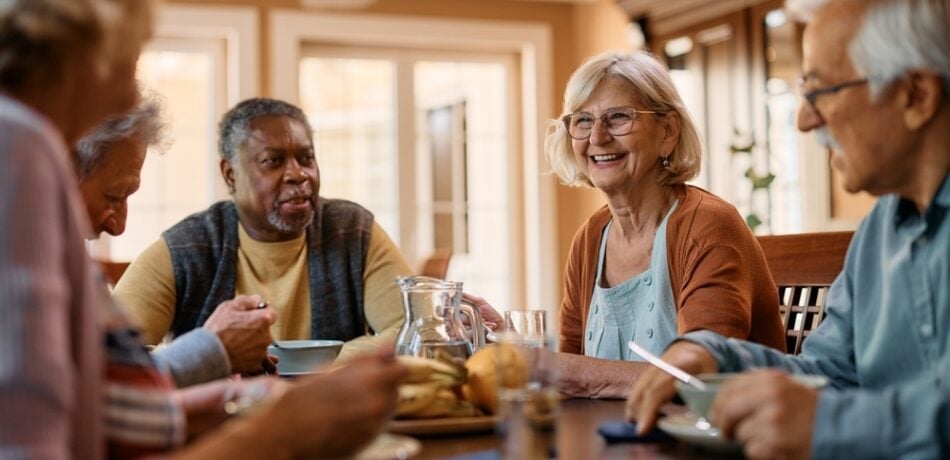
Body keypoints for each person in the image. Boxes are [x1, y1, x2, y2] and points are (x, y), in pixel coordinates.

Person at [0, 1, 406, 458]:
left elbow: (106, 401)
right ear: (82, 59)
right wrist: (283, 430)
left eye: (305, 157)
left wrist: (231, 402)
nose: (133, 97)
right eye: (131, 60)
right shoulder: (19, 149)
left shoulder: (352, 227)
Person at [627, 0, 949, 458]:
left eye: (821, 91)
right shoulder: (879, 231)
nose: (803, 119)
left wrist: (829, 423)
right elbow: (830, 372)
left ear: (917, 95)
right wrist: (716, 355)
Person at [546, 50, 786, 398]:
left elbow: (701, 376)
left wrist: (549, 366)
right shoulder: (591, 237)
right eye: (582, 120)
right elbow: (570, 371)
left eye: (618, 118)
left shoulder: (709, 227)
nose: (597, 137)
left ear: (668, 131)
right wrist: (504, 338)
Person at [113, 97, 413, 366]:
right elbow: (112, 356)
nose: (298, 174)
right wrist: (210, 356)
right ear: (230, 175)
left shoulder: (353, 230)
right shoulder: (185, 248)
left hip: (333, 416)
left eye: (306, 158)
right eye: (274, 161)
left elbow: (410, 329)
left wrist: (306, 364)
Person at [76, 97, 277, 387]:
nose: (118, 226)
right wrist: (212, 349)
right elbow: (108, 387)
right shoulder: (185, 245)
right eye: (114, 196)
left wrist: (223, 383)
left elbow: (105, 377)